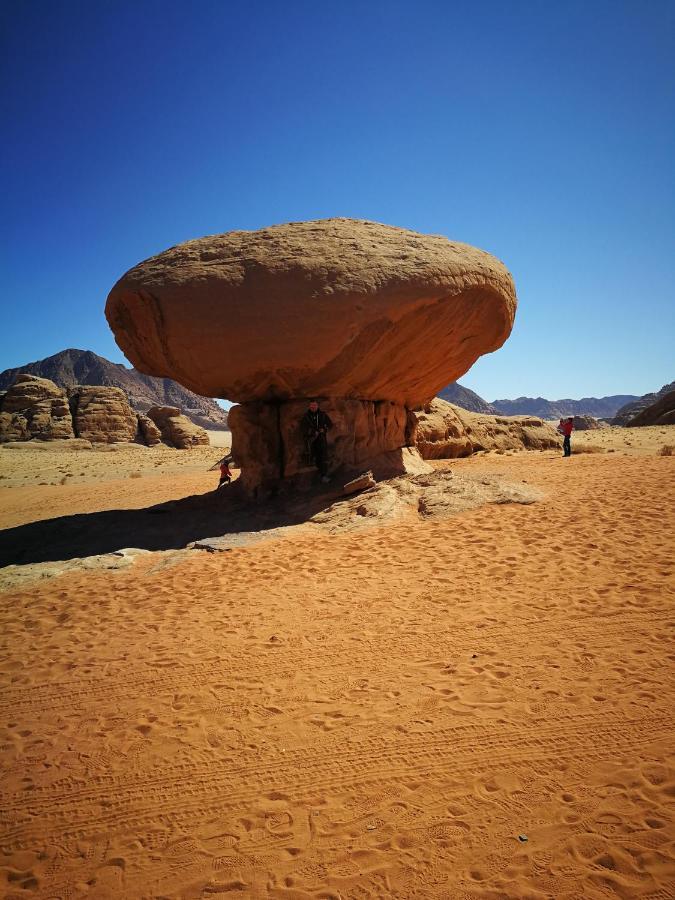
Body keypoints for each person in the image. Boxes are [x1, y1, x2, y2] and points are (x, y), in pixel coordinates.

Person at [301, 399, 333, 482]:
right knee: (312, 458)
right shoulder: (306, 416)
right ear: (309, 406)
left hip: (322, 440)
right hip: (311, 441)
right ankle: (313, 478)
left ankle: (324, 476)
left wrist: (324, 430)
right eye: (311, 405)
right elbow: (303, 428)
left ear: (317, 406)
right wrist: (312, 432)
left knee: (323, 457)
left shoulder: (322, 415)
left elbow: (330, 424)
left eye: (314, 405)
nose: (313, 407)